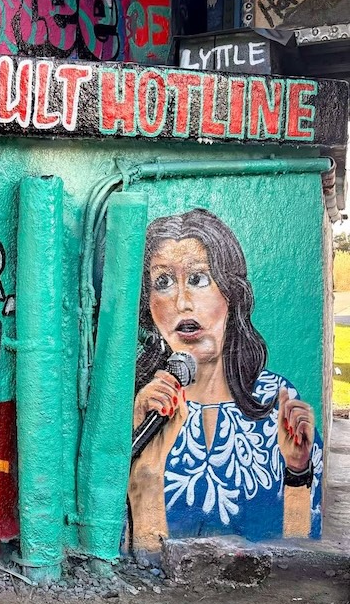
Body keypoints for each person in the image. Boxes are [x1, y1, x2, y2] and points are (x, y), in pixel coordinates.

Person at [128, 208, 322, 552]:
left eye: (198, 278)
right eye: (163, 282)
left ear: (231, 293)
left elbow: (299, 550)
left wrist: (297, 471)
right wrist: (143, 471)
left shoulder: (276, 399)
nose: (182, 302)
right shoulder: (138, 405)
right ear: (148, 304)